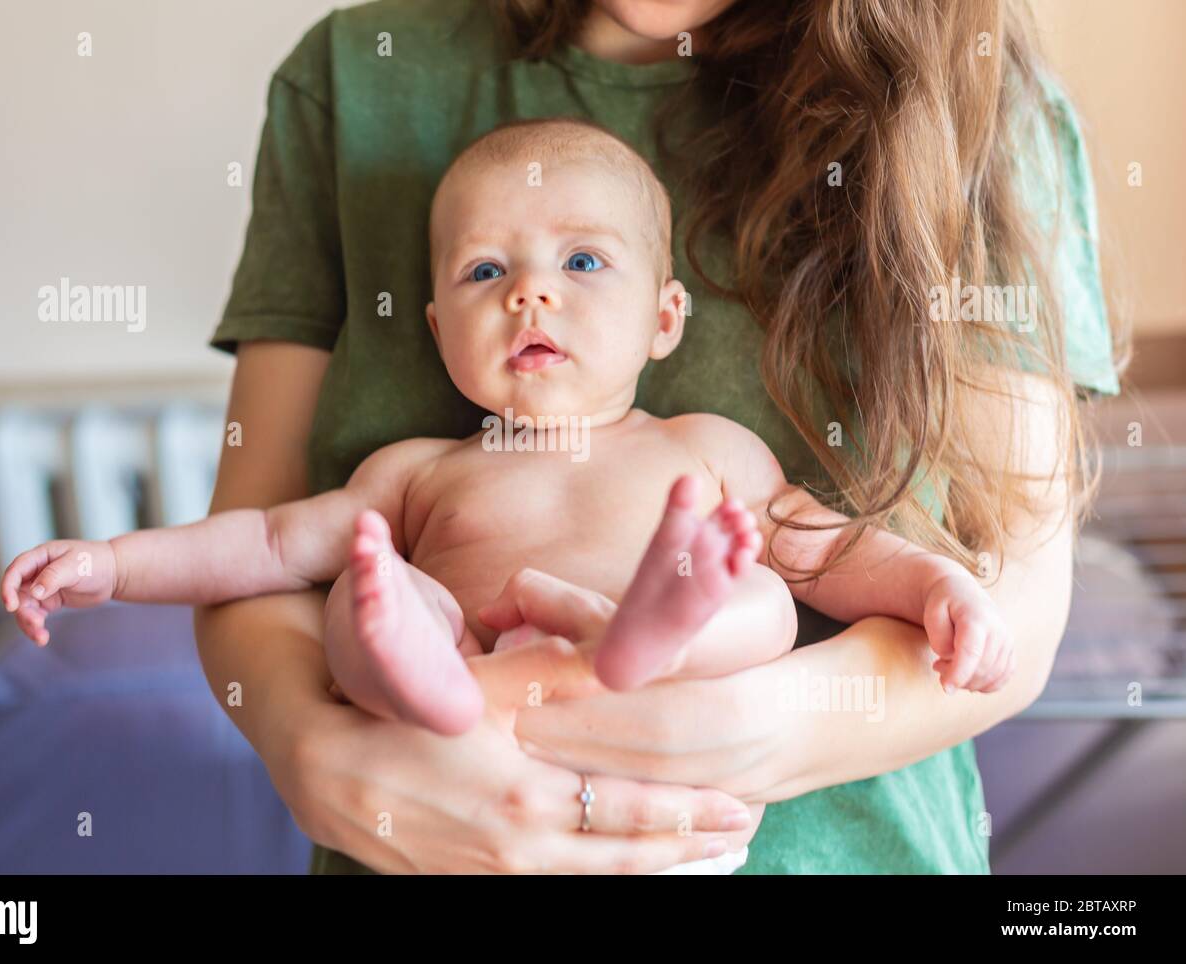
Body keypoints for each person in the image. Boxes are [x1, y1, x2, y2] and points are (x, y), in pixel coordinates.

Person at [192, 0, 1125, 874]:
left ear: (667, 313)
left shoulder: (974, 96)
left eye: (586, 259)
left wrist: (757, 728)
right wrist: (306, 742)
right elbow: (264, 545)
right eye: (482, 271)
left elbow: (1012, 608)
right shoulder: (354, 77)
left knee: (743, 587)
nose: (530, 297)